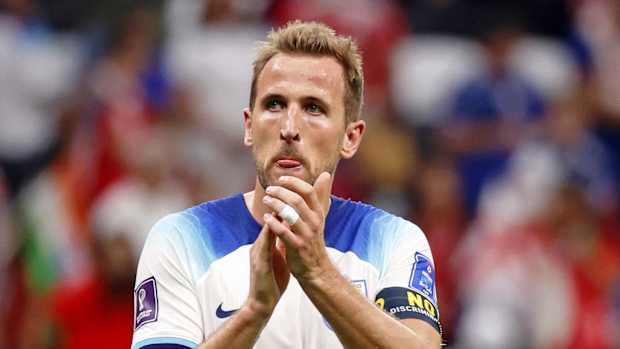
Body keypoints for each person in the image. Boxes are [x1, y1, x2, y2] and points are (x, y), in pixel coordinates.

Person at [131, 21, 442, 349]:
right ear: (249, 127)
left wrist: (318, 273)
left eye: (313, 108)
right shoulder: (180, 238)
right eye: (274, 104)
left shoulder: (394, 239)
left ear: (350, 138)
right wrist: (254, 312)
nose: (290, 128)